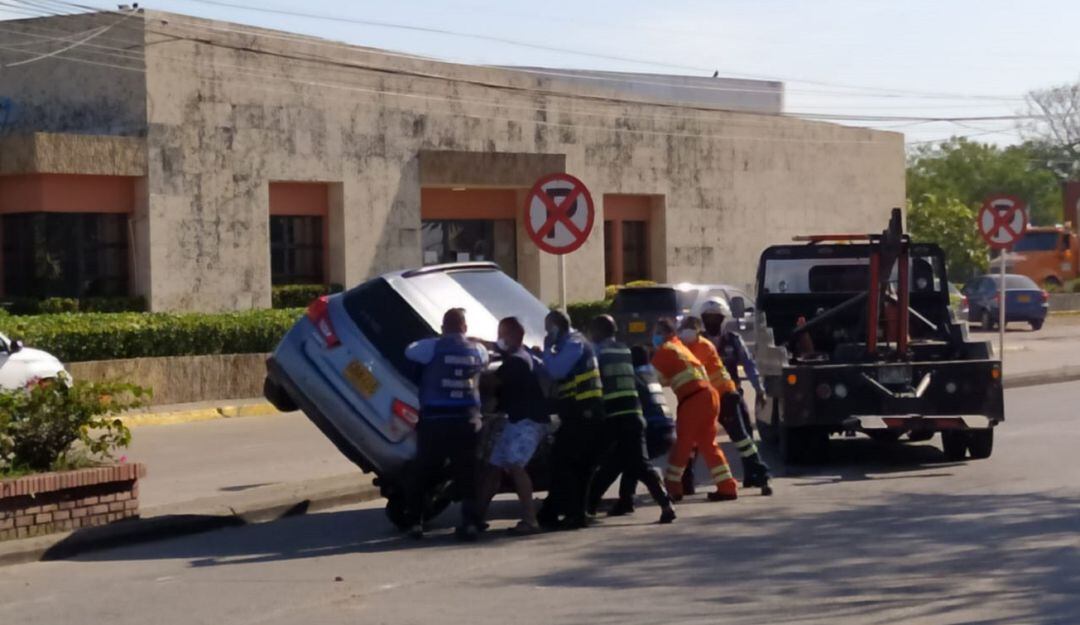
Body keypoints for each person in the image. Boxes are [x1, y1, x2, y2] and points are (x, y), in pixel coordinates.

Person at [403, 308, 489, 541]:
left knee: (423, 471)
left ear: (442, 327)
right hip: (467, 420)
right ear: (464, 327)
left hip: (435, 420)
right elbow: (486, 360)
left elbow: (409, 351)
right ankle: (470, 523)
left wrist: (437, 339)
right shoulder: (478, 350)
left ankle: (415, 523)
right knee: (468, 473)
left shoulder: (430, 348)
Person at [586, 315, 676, 523]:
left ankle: (665, 503)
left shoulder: (599, 352)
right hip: (633, 415)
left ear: (598, 332)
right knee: (614, 464)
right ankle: (590, 506)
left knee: (633, 464)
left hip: (614, 416)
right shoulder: (624, 350)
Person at [679, 314, 772, 496]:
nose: (712, 323)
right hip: (709, 398)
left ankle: (760, 475)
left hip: (722, 396)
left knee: (742, 438)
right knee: (695, 441)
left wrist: (758, 388)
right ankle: (687, 482)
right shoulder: (696, 344)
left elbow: (748, 364)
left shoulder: (706, 345)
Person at [651, 318, 738, 502]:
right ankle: (727, 486)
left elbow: (650, 380)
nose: (654, 337)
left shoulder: (665, 351)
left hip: (693, 400)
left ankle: (672, 488)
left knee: (683, 443)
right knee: (708, 444)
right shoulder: (680, 347)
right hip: (709, 396)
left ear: (664, 334)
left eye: (656, 333)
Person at [477, 317, 550, 535]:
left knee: (515, 465)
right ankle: (476, 518)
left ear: (513, 336)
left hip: (528, 421)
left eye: (502, 334)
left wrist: (470, 372)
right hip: (516, 420)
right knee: (494, 467)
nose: (499, 338)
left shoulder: (517, 361)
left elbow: (492, 383)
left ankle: (530, 520)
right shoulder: (521, 355)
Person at [536, 310, 604, 530]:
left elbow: (556, 371)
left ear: (556, 326)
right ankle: (568, 512)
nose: (547, 333)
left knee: (564, 462)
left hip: (584, 412)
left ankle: (570, 513)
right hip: (578, 412)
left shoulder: (574, 343)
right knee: (572, 464)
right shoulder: (572, 344)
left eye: (548, 328)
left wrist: (546, 350)